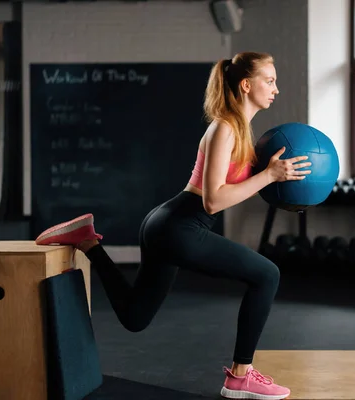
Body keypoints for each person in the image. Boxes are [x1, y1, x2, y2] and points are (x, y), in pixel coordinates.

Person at [35, 51, 312, 400]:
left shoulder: (240, 129)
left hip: (169, 224)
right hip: (180, 225)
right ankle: (240, 376)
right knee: (267, 274)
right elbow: (213, 200)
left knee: (136, 317)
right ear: (246, 85)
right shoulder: (225, 127)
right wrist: (269, 174)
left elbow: (240, 186)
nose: (276, 89)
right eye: (269, 81)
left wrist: (282, 183)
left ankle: (88, 242)